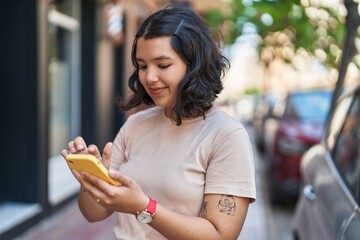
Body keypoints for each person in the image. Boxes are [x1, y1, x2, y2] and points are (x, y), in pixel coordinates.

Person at [61, 3, 256, 240]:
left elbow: (220, 235)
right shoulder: (135, 124)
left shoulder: (226, 135)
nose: (149, 78)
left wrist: (144, 207)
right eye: (142, 66)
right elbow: (95, 213)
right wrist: (89, 180)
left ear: (195, 65)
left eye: (162, 65)